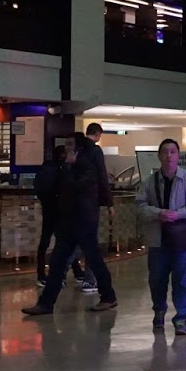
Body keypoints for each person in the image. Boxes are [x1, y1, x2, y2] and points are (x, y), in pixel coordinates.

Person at [21, 122, 117, 315]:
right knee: (59, 260)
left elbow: (76, 187)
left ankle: (108, 296)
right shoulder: (71, 165)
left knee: (92, 258)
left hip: (83, 219)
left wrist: (68, 167)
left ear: (78, 148)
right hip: (70, 220)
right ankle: (46, 303)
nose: (66, 148)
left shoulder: (85, 167)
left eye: (69, 144)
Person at [135, 137, 186, 336]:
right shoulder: (149, 182)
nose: (169, 156)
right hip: (158, 240)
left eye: (172, 152)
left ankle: (181, 317)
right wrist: (158, 213)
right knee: (156, 279)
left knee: (182, 280)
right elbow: (139, 206)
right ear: (159, 156)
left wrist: (179, 214)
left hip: (182, 240)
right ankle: (159, 312)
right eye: (165, 152)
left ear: (178, 156)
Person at [32, 144, 90, 292]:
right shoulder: (63, 169)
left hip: (48, 209)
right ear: (63, 155)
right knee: (66, 242)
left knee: (47, 242)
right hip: (60, 211)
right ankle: (72, 273)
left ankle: (41, 274)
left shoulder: (46, 168)